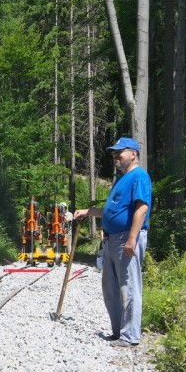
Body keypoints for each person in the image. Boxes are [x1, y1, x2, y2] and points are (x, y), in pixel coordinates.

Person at [74, 137, 152, 348]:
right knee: (110, 287)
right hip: (111, 240)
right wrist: (88, 212)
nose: (116, 156)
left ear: (133, 154)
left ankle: (130, 336)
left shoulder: (139, 176)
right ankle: (118, 332)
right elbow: (112, 211)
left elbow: (141, 209)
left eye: (120, 152)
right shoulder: (120, 179)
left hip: (126, 238)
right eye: (114, 153)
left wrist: (132, 240)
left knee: (129, 286)